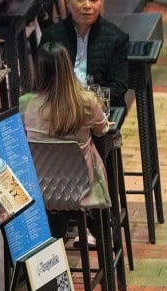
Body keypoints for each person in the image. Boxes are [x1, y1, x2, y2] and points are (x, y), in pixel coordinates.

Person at [20, 42, 110, 239]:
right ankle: (99, 229)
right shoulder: (86, 101)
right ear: (68, 68)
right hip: (82, 187)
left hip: (40, 187)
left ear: (39, 70)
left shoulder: (26, 103)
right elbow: (103, 130)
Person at [40, 0, 129, 106]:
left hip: (100, 107)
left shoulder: (116, 38)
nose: (87, 5)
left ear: (100, 2)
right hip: (62, 108)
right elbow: (45, 82)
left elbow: (118, 86)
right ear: (68, 1)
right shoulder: (51, 35)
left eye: (93, 0)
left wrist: (87, 102)